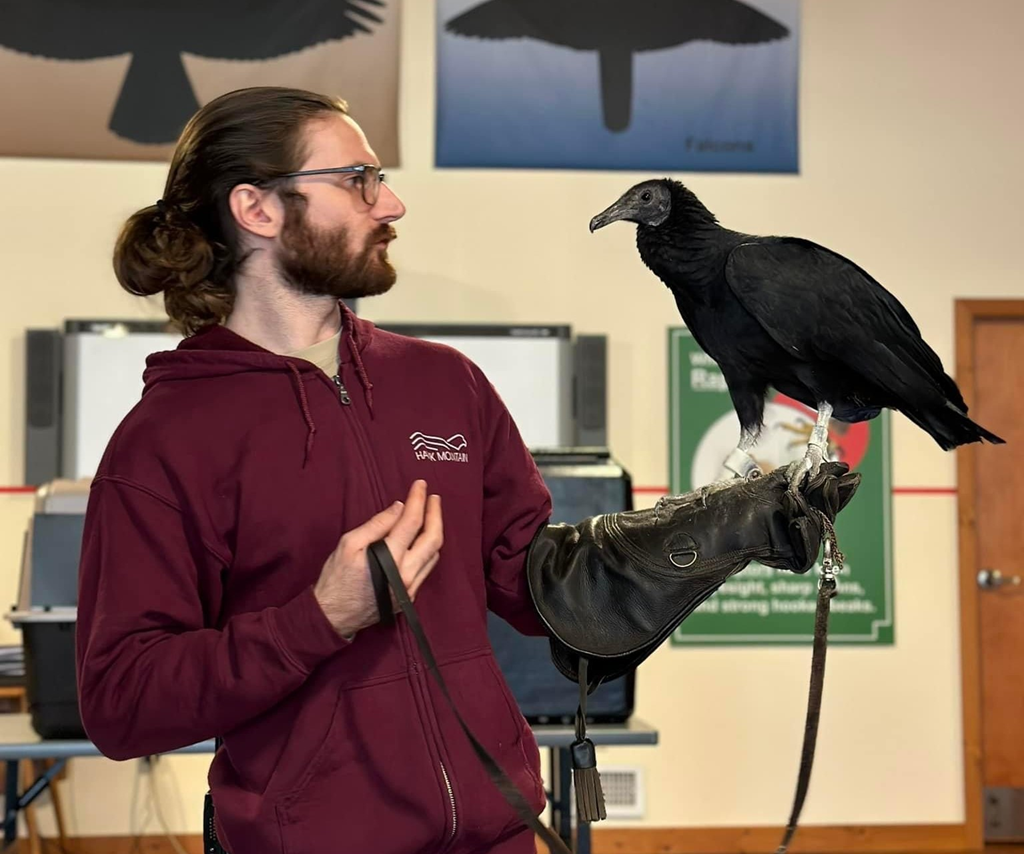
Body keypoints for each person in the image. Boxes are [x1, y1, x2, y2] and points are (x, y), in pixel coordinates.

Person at [75, 86, 855, 854]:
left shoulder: (444, 383)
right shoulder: (166, 440)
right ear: (258, 210)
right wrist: (320, 618)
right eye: (358, 181)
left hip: (499, 834)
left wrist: (721, 528)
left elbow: (536, 583)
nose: (391, 205)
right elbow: (122, 703)